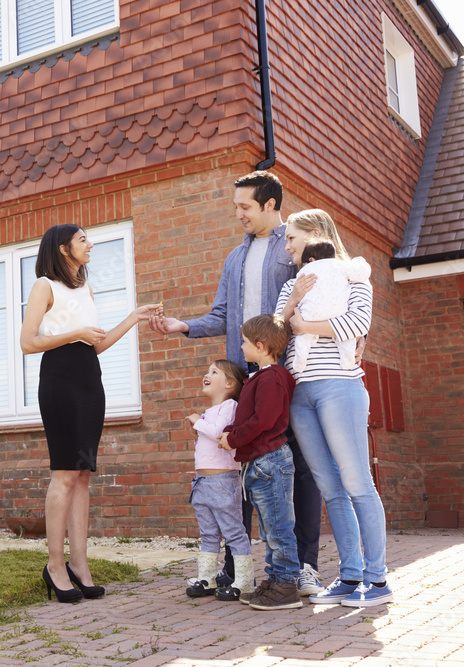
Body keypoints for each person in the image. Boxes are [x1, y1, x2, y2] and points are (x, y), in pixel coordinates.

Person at [149, 171, 324, 597]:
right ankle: (234, 569)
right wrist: (183, 325)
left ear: (270, 204)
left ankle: (303, 567)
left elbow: (330, 292)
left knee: (297, 468)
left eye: (245, 206)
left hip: (287, 376)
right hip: (246, 380)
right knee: (236, 470)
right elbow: (222, 316)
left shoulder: (295, 246)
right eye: (236, 207)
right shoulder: (233, 258)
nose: (239, 214)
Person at [19, 224, 160, 603]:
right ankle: (54, 565)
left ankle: (80, 565)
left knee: (82, 474)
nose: (90, 244)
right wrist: (73, 333)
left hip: (89, 380)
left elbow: (93, 346)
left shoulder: (86, 289)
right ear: (64, 249)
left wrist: (132, 318)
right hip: (60, 380)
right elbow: (27, 342)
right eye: (83, 240)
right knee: (64, 473)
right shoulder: (44, 286)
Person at [275, 209, 392, 608]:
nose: (286, 244)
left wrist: (306, 327)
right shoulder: (291, 284)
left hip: (339, 387)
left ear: (315, 235)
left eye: (292, 237)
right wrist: (292, 301)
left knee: (358, 482)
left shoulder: (353, 277)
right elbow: (274, 336)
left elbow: (357, 322)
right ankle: (349, 576)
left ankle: (377, 582)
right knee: (330, 488)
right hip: (300, 394)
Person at [217, 314, 300, 610]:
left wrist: (234, 438)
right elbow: (246, 416)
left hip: (270, 461)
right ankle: (275, 579)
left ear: (261, 345)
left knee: (278, 527)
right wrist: (230, 432)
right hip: (258, 463)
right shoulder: (260, 378)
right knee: (269, 528)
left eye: (244, 341)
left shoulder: (273, 378)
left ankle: (287, 585)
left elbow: (262, 420)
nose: (241, 347)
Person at [184, 359, 254, 601]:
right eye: (207, 371)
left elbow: (219, 433)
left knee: (234, 531)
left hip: (223, 482)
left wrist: (198, 422)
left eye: (214, 371)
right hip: (202, 482)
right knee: (209, 533)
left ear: (229, 383)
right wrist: (200, 425)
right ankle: (207, 577)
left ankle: (244, 580)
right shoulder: (209, 412)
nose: (207, 374)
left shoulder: (231, 406)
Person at [291, 238, 371, 373]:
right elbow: (360, 272)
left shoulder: (301, 275)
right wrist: (359, 261)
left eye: (291, 238)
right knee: (346, 339)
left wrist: (303, 326)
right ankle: (347, 360)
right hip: (337, 313)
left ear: (310, 260)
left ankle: (300, 360)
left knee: (304, 339)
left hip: (309, 315)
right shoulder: (339, 265)